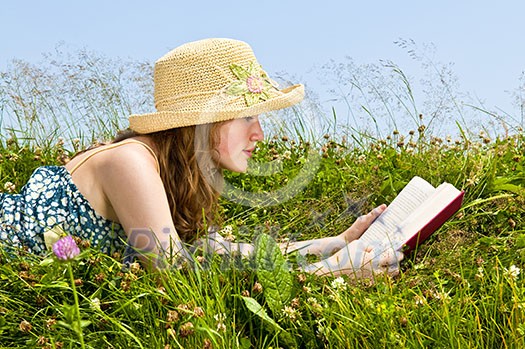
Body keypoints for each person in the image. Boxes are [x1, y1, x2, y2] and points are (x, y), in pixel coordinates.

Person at [0, 38, 402, 278]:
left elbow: (218, 255)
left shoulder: (169, 171)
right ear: (202, 123)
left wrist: (335, 243)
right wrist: (332, 274)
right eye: (247, 116)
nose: (259, 133)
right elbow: (177, 275)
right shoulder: (131, 163)